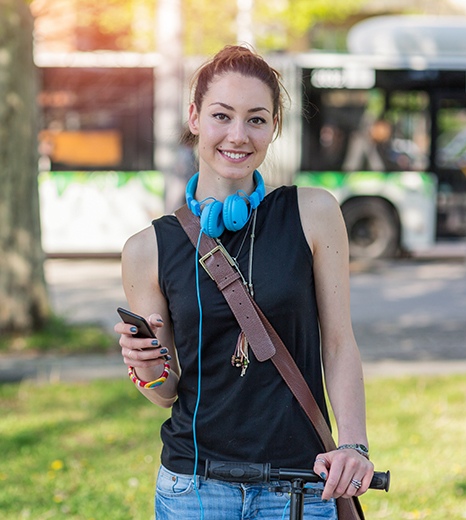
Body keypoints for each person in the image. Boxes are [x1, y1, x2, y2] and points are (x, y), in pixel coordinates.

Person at [114, 45, 374, 520]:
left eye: (256, 119)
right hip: (193, 488)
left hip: (300, 482)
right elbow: (166, 391)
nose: (238, 135)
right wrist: (145, 365)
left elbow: (339, 344)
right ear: (194, 117)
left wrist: (353, 443)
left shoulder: (313, 213)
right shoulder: (146, 249)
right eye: (221, 115)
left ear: (274, 126)